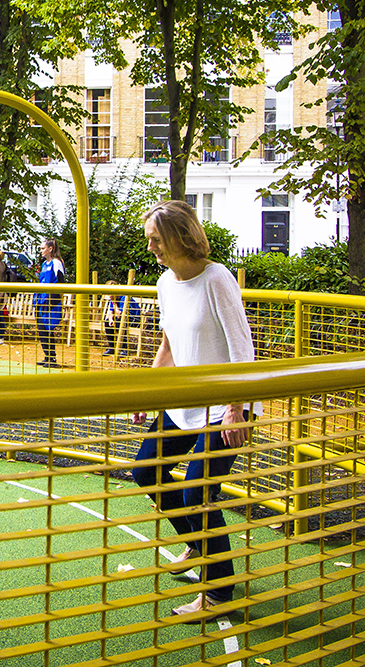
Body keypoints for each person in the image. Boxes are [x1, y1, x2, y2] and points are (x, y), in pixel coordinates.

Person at [129, 200, 259, 621]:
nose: (151, 248)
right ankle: (197, 544)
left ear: (179, 237)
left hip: (226, 405)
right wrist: (149, 395)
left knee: (197, 492)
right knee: (146, 471)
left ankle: (218, 593)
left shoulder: (217, 279)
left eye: (156, 239)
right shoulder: (166, 283)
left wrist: (236, 408)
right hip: (185, 402)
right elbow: (169, 346)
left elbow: (242, 347)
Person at [32, 238, 65, 368]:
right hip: (41, 299)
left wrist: (55, 299)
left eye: (43, 248)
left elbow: (61, 281)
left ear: (50, 249)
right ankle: (47, 356)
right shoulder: (45, 264)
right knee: (41, 329)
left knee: (47, 327)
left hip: (51, 300)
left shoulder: (56, 263)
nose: (41, 251)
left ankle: (52, 358)